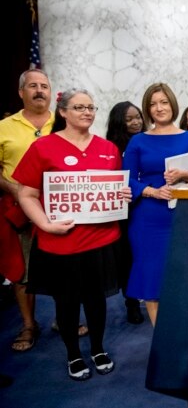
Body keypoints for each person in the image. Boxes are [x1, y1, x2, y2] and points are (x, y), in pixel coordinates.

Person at [13, 88, 132, 380]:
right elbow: (26, 194)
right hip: (59, 243)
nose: (87, 112)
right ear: (63, 112)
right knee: (66, 303)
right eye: (79, 107)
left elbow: (114, 188)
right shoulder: (43, 148)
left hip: (102, 241)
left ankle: (98, 348)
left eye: (91, 107)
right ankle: (73, 355)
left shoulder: (109, 148)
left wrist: (122, 194)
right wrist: (45, 224)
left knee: (96, 300)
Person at [123, 82, 188, 326]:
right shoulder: (137, 141)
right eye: (153, 104)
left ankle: (183, 335)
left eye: (164, 102)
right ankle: (162, 343)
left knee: (184, 278)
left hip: (183, 216)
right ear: (147, 109)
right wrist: (151, 191)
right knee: (152, 278)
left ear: (172, 104)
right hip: (148, 219)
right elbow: (126, 178)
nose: (159, 108)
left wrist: (186, 174)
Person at [0, 69, 54, 353]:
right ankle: (28, 324)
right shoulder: (4, 127)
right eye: (32, 85)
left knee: (63, 267)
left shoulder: (64, 122)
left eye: (44, 86)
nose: (39, 90)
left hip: (59, 208)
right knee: (23, 271)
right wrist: (14, 190)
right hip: (19, 208)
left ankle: (62, 318)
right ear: (21, 92)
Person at [105, 101, 146, 325]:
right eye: (129, 118)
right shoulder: (109, 148)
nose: (136, 122)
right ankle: (131, 303)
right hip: (122, 213)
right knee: (128, 259)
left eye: (138, 116)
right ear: (119, 121)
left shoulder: (149, 139)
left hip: (146, 206)